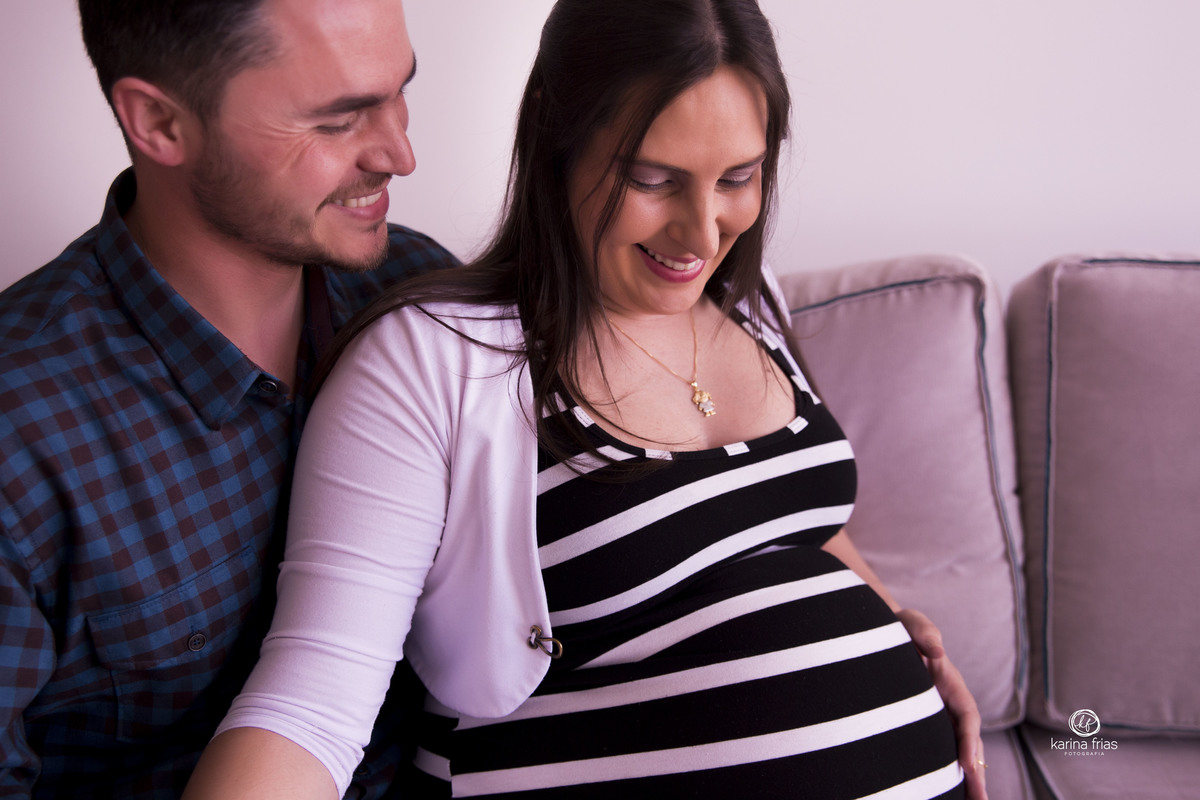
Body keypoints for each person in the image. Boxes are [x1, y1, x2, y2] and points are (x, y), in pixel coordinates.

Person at [185, 0, 989, 797]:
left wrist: (898, 630)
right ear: (554, 134)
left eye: (738, 178)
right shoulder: (436, 362)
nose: (703, 234)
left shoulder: (748, 303)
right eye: (653, 180)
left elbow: (787, 519)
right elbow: (312, 708)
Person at [0, 0, 457, 797]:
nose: (401, 153)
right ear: (160, 123)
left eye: (400, 94)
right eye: (337, 120)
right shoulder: (20, 435)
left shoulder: (421, 299)